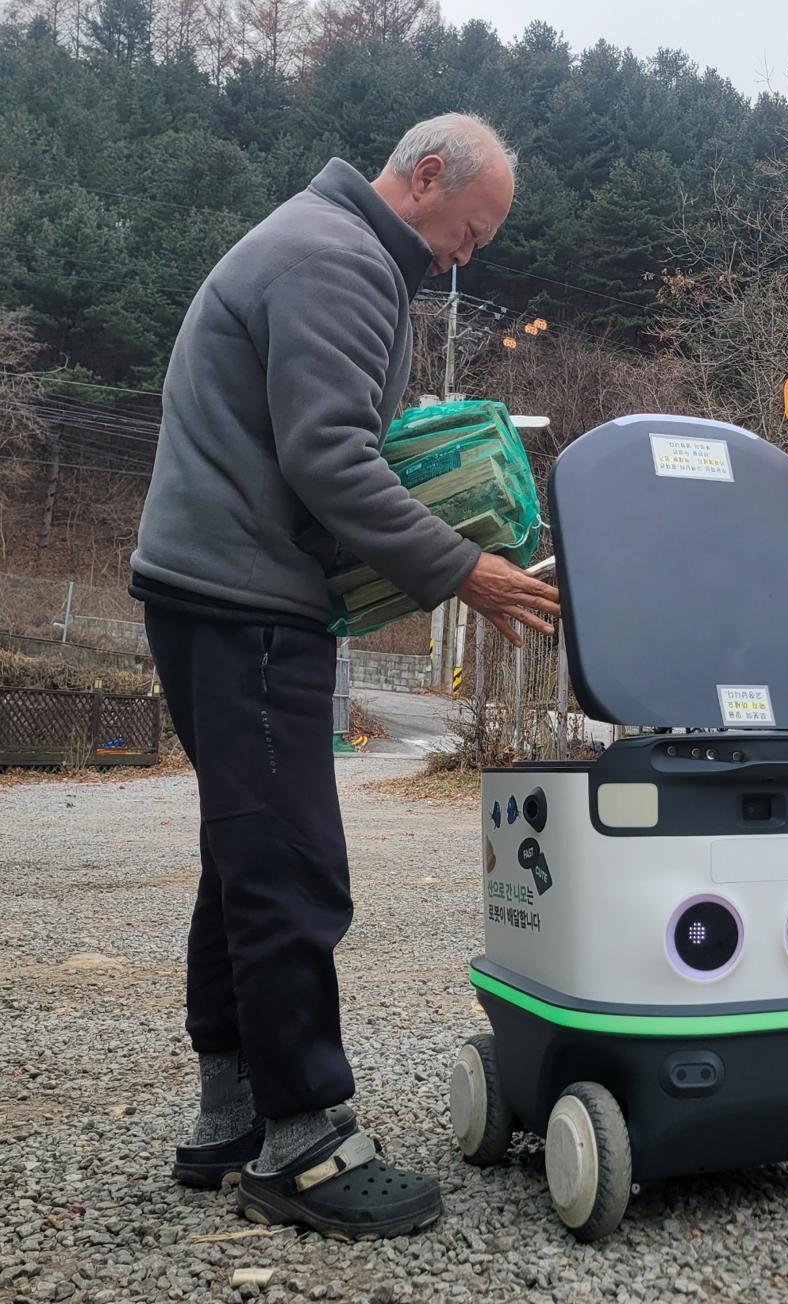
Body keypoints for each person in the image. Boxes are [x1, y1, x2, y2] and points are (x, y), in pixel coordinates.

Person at [129, 113, 560, 1240]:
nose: (469, 257)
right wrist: (465, 567)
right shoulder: (336, 258)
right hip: (245, 597)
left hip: (211, 586)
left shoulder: (320, 243)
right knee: (291, 864)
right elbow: (328, 453)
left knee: (245, 851)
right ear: (425, 179)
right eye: (472, 233)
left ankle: (232, 1118)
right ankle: (305, 1140)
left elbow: (321, 435)